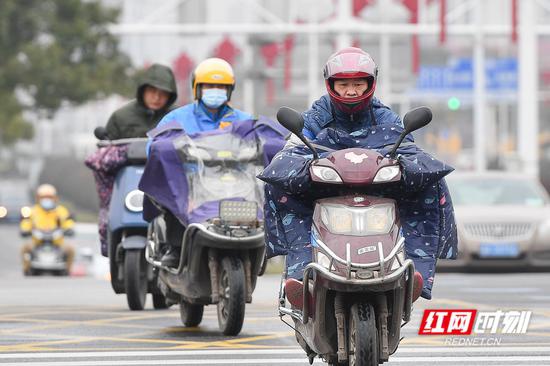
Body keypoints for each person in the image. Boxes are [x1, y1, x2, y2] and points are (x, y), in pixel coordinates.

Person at [273, 47, 425, 307]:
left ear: (370, 84)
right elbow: (295, 146)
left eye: (358, 83)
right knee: (277, 181)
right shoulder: (318, 114)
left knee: (428, 183)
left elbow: (407, 148)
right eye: (344, 84)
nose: (351, 91)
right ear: (331, 85)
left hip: (377, 192)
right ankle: (299, 274)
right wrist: (295, 159)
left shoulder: (385, 116)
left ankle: (413, 271)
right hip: (324, 191)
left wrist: (410, 163)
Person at [147, 57, 253, 266]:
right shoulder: (176, 118)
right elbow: (155, 145)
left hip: (233, 184)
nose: (215, 91)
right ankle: (176, 248)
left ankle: (252, 247)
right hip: (190, 184)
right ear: (197, 88)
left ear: (230, 90)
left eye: (221, 87)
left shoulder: (243, 119)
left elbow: (260, 142)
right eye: (209, 86)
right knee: (175, 196)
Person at [105, 63, 178, 140]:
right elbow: (106, 149)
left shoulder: (178, 117)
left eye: (163, 93)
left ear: (170, 96)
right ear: (143, 90)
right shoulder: (120, 118)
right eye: (152, 91)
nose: (157, 98)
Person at [20, 184, 75, 274]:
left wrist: (69, 229)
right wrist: (25, 230)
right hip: (37, 243)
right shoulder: (33, 211)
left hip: (57, 243)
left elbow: (67, 221)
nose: (46, 200)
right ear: (38, 198)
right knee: (25, 248)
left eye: (49, 197)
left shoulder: (61, 210)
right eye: (43, 197)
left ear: (55, 198)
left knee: (70, 250)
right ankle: (27, 269)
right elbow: (26, 222)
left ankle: (68, 270)